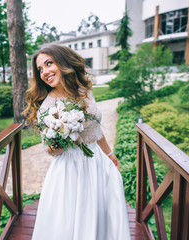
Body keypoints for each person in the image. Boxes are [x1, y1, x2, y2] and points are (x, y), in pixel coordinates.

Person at [23, 45, 131, 239]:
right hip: (70, 171)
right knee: (71, 224)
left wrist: (110, 154)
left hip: (96, 163)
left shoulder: (84, 92)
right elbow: (49, 150)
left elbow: (96, 130)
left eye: (49, 63)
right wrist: (58, 138)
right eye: (40, 69)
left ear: (63, 63)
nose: (45, 72)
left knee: (99, 217)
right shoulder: (46, 108)